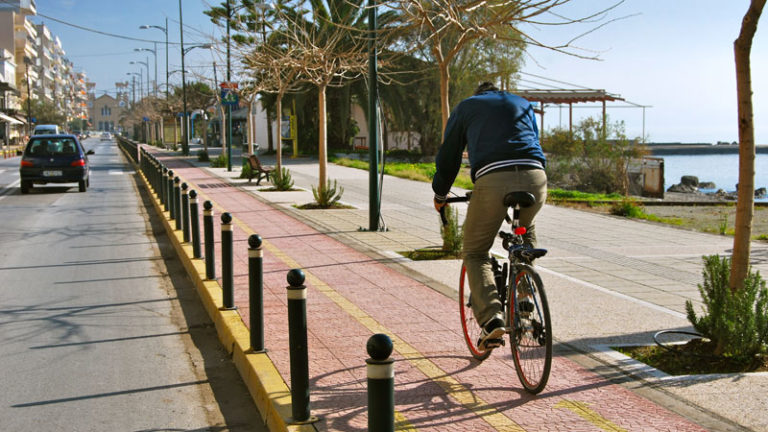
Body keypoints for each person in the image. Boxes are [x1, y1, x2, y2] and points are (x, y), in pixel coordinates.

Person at [432, 82, 547, 351]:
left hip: (494, 179)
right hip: (536, 177)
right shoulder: (522, 103)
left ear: (478, 93)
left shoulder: (467, 107)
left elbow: (449, 156)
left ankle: (492, 320)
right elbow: (534, 142)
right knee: (524, 230)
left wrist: (440, 194)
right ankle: (525, 296)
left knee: (475, 251)